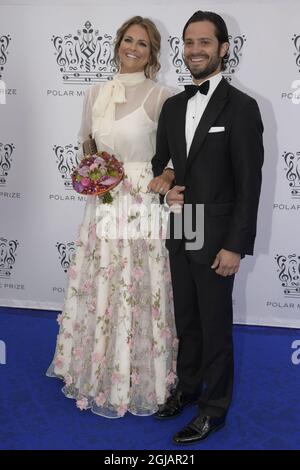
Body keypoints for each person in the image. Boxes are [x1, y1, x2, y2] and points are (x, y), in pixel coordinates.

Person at [47, 16, 177, 418]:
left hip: (140, 202)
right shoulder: (96, 92)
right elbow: (86, 143)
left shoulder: (162, 97)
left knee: (140, 284)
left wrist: (167, 175)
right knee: (102, 280)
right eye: (127, 40)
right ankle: (95, 368)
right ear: (117, 43)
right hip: (103, 200)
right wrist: (92, 172)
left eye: (142, 43)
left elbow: (172, 157)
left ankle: (139, 374)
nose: (132, 48)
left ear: (152, 52)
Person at [152, 10, 264, 444]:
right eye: (188, 42)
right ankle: (188, 389)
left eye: (204, 42)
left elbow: (249, 185)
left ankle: (214, 409)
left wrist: (235, 245)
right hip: (184, 225)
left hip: (217, 234)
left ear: (223, 48)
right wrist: (165, 186)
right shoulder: (174, 105)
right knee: (188, 321)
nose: (194, 50)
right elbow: (164, 165)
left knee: (216, 325)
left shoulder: (242, 108)